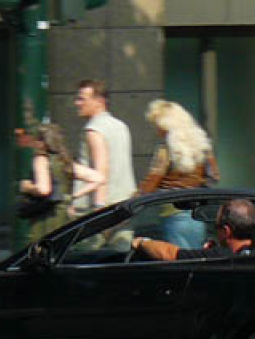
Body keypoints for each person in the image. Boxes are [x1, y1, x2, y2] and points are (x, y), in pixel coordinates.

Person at [137, 99, 220, 248]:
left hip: (173, 215)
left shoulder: (165, 151)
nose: (157, 132)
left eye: (158, 127)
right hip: (197, 217)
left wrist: (131, 200)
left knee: (177, 263)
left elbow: (149, 186)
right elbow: (214, 176)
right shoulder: (202, 147)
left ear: (166, 126)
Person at [15, 123, 102, 239]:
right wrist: (72, 196)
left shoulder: (41, 159)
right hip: (65, 216)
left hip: (46, 218)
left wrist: (27, 186)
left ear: (41, 142)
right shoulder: (65, 162)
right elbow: (98, 178)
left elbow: (43, 189)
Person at [71, 79, 135, 215]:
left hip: (99, 209)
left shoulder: (94, 129)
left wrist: (99, 208)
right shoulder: (121, 126)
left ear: (99, 101)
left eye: (81, 99)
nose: (77, 103)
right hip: (126, 204)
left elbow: (102, 170)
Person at [131, 198, 255, 261]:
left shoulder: (220, 257)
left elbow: (170, 254)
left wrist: (142, 242)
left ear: (226, 231)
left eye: (216, 227)